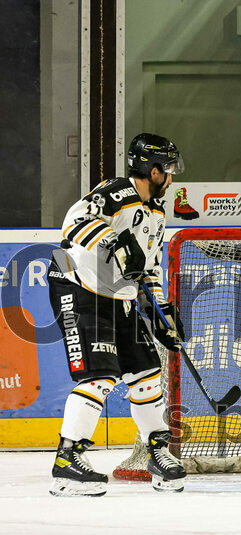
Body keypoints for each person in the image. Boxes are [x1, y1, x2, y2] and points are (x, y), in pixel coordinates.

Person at [47, 132, 188, 496]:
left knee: (146, 373)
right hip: (76, 283)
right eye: (167, 170)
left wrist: (161, 314)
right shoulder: (117, 192)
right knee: (101, 376)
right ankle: (67, 460)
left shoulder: (157, 213)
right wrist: (116, 241)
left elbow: (146, 270)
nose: (171, 179)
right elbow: (72, 223)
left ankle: (157, 453)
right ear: (151, 169)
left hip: (116, 294)